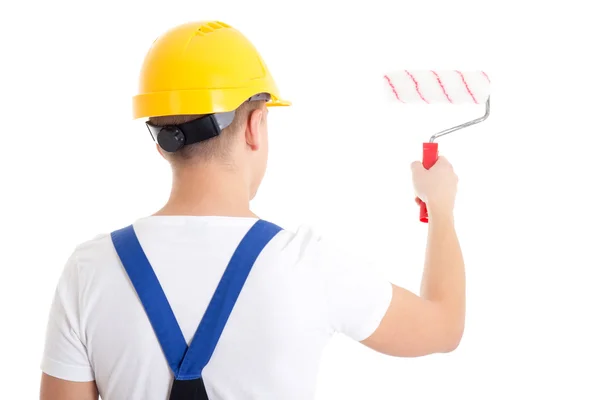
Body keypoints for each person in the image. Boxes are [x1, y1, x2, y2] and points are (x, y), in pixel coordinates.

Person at [39, 21, 465, 400]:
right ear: (254, 125)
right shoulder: (309, 264)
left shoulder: (88, 271)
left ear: (161, 137)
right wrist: (440, 207)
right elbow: (444, 326)